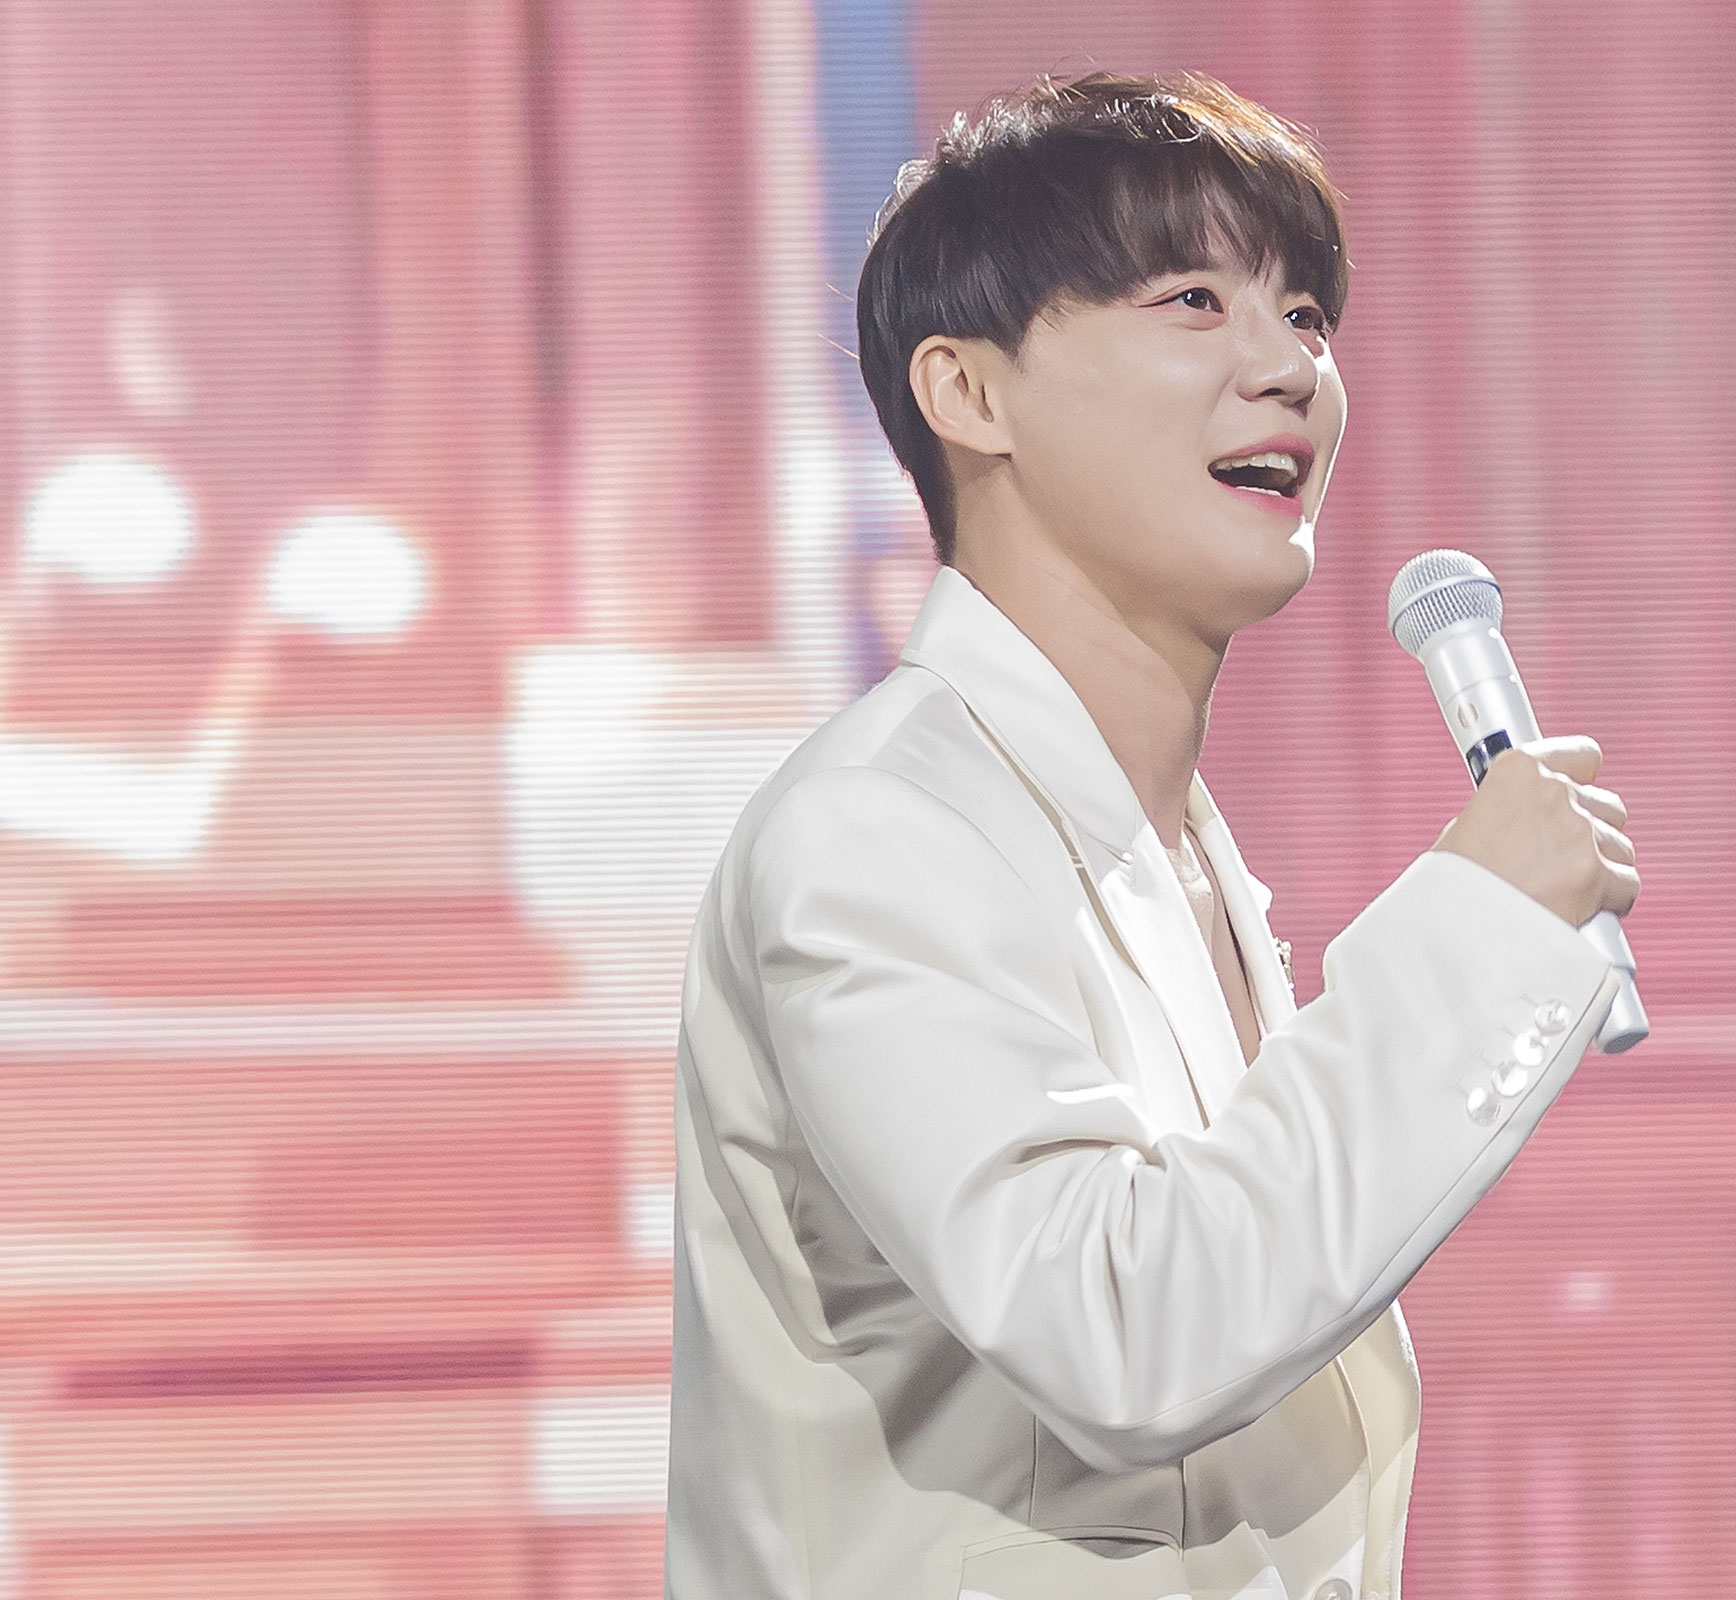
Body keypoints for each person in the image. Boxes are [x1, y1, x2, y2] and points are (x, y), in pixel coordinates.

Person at [663, 71, 1640, 1600]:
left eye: (1306, 314)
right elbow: (1124, 1331)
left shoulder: (1167, 841)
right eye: (1194, 302)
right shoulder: (875, 834)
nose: (1290, 369)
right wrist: (1476, 924)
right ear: (969, 393)